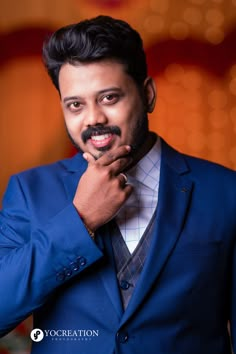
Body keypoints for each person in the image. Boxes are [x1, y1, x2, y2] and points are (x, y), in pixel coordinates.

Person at [0, 15, 235, 354]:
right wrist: (81, 220)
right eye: (76, 105)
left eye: (109, 98)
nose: (93, 118)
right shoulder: (29, 191)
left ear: (148, 95)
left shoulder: (226, 193)